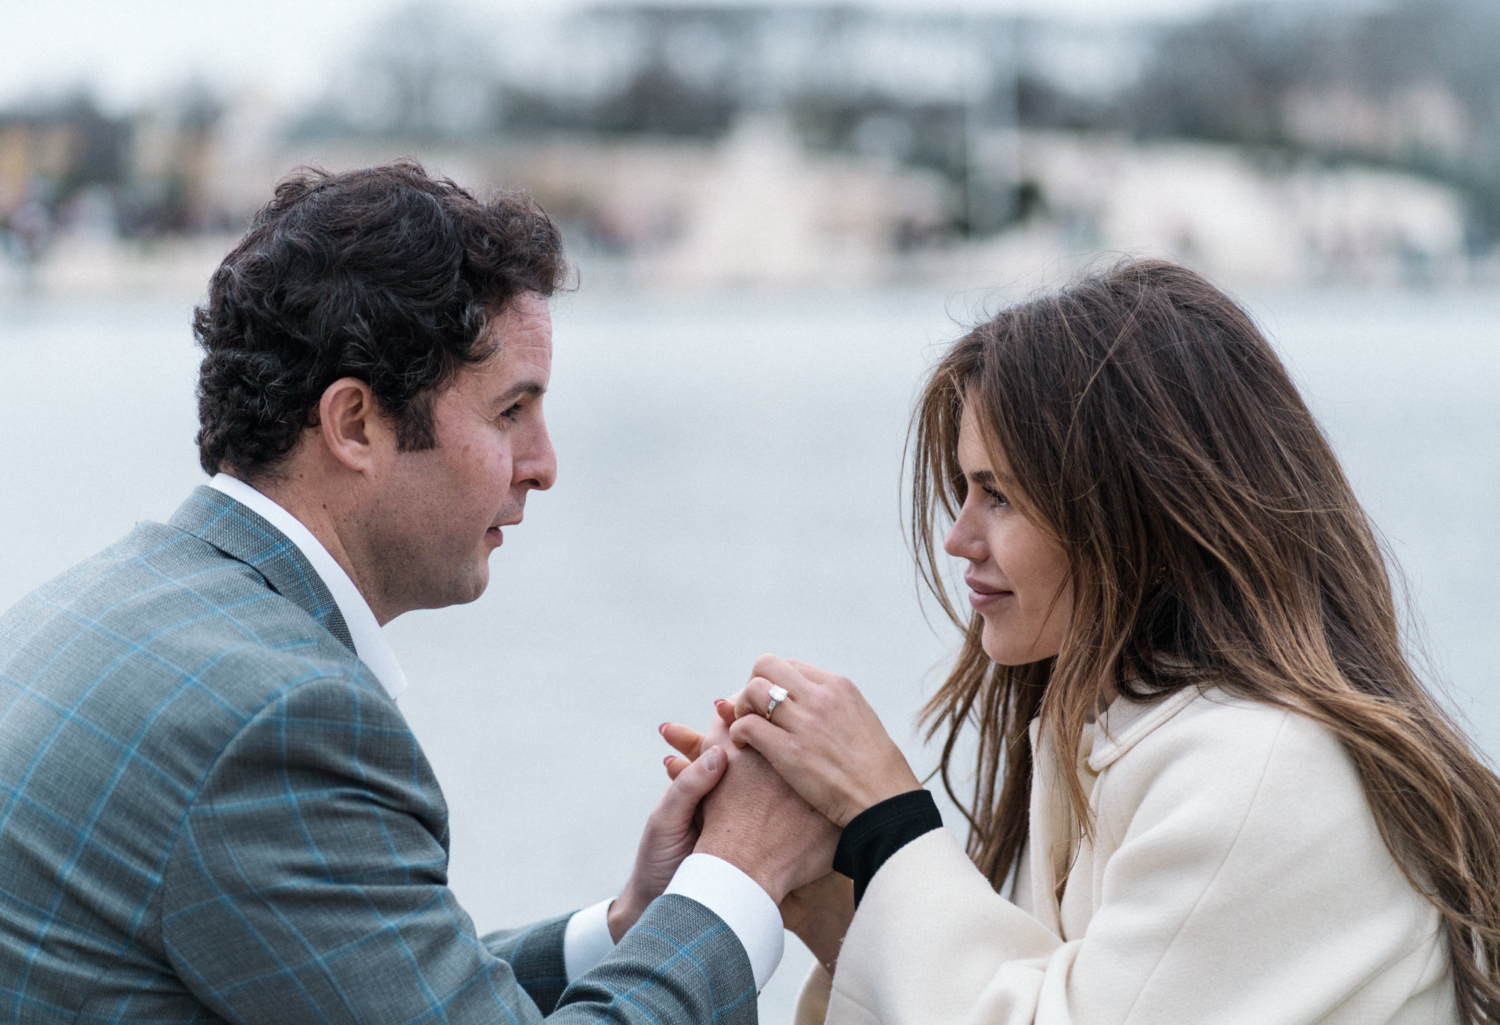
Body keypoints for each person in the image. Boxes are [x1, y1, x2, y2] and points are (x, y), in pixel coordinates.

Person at [0, 161, 837, 1024]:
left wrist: (632, 926)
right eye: (511, 412)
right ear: (355, 423)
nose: (544, 466)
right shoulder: (279, 719)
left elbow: (367, 974)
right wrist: (737, 878)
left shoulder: (87, 605)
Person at [668, 260, 1500, 1023]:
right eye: (964, 488)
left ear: (1136, 508)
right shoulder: (1115, 734)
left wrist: (885, 813)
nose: (957, 537)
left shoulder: (1266, 767)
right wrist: (836, 903)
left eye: (998, 495)